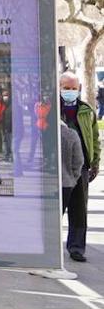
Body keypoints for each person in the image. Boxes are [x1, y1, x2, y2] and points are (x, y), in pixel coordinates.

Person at [60, 72, 98, 262]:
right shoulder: (52, 109)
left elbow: (94, 138)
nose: (70, 91)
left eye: (74, 88)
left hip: (80, 165)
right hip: (59, 165)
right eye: (66, 88)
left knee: (79, 209)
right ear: (59, 87)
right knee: (56, 207)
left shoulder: (86, 110)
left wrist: (95, 162)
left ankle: (76, 247)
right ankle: (48, 247)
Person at [61, 120, 85, 217]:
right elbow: (78, 161)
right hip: (66, 182)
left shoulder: (40, 132)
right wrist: (73, 178)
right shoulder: (71, 134)